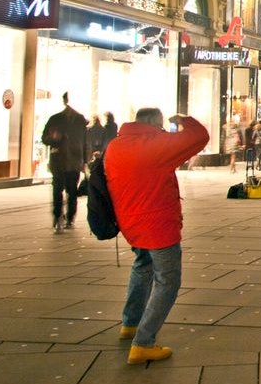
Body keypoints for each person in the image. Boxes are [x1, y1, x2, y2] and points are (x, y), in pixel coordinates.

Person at [103, 108, 208, 364]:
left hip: (131, 223)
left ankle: (131, 323)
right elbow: (200, 136)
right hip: (157, 224)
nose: (163, 131)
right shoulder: (153, 144)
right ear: (152, 124)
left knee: (143, 265)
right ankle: (143, 342)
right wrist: (183, 120)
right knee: (168, 281)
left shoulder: (115, 146)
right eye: (161, 127)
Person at [41, 92, 88, 233]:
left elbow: (85, 142)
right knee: (57, 190)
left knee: (72, 191)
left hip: (74, 161)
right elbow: (44, 138)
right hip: (58, 161)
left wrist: (85, 161)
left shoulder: (80, 120)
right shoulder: (55, 119)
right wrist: (54, 138)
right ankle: (57, 217)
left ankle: (70, 218)